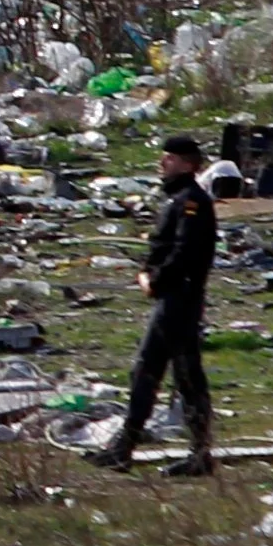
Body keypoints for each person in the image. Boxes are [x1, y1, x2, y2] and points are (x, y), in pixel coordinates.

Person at [103, 133, 220, 474]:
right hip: (174, 298)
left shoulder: (191, 202)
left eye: (169, 158)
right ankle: (130, 447)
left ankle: (132, 447)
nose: (162, 163)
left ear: (187, 164)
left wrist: (155, 279)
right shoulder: (177, 199)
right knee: (177, 374)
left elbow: (185, 252)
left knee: (158, 372)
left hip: (179, 298)